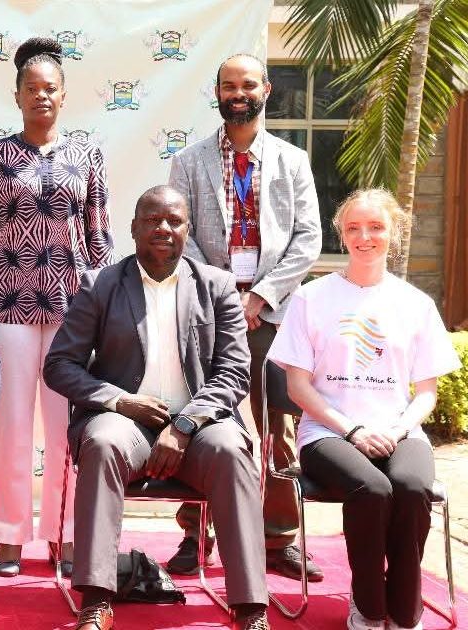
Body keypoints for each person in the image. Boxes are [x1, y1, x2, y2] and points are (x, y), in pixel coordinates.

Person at [43, 186, 270, 630]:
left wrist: (183, 426)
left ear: (188, 228)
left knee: (231, 450)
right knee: (104, 441)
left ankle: (250, 608)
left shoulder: (217, 286)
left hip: (200, 426)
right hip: (123, 422)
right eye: (152, 220)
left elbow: (233, 373)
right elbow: (60, 365)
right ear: (133, 228)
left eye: (174, 220)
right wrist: (119, 401)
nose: (163, 228)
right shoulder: (101, 284)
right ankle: (96, 600)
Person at [268, 189, 461, 630]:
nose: (364, 237)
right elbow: (297, 386)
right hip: (327, 434)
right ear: (341, 234)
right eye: (353, 228)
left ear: (394, 234)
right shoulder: (311, 298)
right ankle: (369, 606)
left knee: (411, 487)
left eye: (376, 227)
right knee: (372, 489)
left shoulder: (416, 304)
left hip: (398, 431)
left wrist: (397, 430)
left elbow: (425, 393)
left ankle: (404, 608)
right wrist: (352, 430)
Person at [167, 53, 323, 581]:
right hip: (209, 314)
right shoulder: (188, 161)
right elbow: (180, 236)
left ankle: (278, 539)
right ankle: (196, 533)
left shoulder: (292, 161)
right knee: (202, 419)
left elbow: (308, 238)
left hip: (272, 316)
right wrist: (224, 295)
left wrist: (260, 295)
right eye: (229, 85)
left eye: (248, 85)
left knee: (278, 426)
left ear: (266, 91)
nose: (239, 93)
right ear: (217, 93)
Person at [0, 36, 112, 577]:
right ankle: (9, 534)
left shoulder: (87, 155)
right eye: (32, 88)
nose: (41, 96)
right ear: (17, 95)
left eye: (50, 88)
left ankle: (65, 533)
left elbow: (99, 239)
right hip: (8, 306)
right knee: (10, 425)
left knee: (66, 424)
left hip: (72, 311)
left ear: (64, 95)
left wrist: (101, 309)